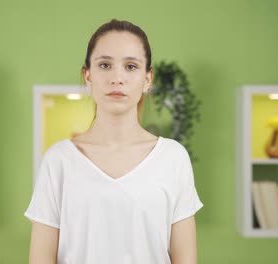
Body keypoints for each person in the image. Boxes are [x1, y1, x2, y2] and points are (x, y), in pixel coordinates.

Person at [25, 19, 203, 264]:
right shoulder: (58, 161)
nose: (117, 78)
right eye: (105, 65)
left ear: (148, 79)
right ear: (87, 75)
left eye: (131, 66)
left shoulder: (174, 158)